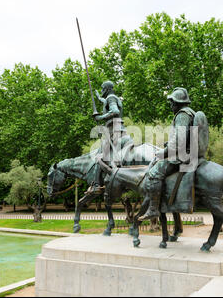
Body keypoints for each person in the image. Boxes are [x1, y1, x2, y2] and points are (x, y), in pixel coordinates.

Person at [138, 87, 196, 221]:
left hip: (181, 157)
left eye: (172, 103)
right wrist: (167, 144)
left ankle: (153, 210)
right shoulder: (189, 113)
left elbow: (179, 141)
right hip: (187, 153)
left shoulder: (183, 115)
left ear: (178, 103)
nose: (171, 106)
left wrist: (163, 153)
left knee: (153, 173)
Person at [84, 81, 130, 198]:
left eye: (103, 88)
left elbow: (115, 111)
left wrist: (101, 117)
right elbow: (107, 103)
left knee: (100, 157)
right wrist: (99, 98)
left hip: (114, 131)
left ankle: (97, 185)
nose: (102, 90)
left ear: (108, 89)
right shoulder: (111, 98)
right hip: (115, 129)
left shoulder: (110, 98)